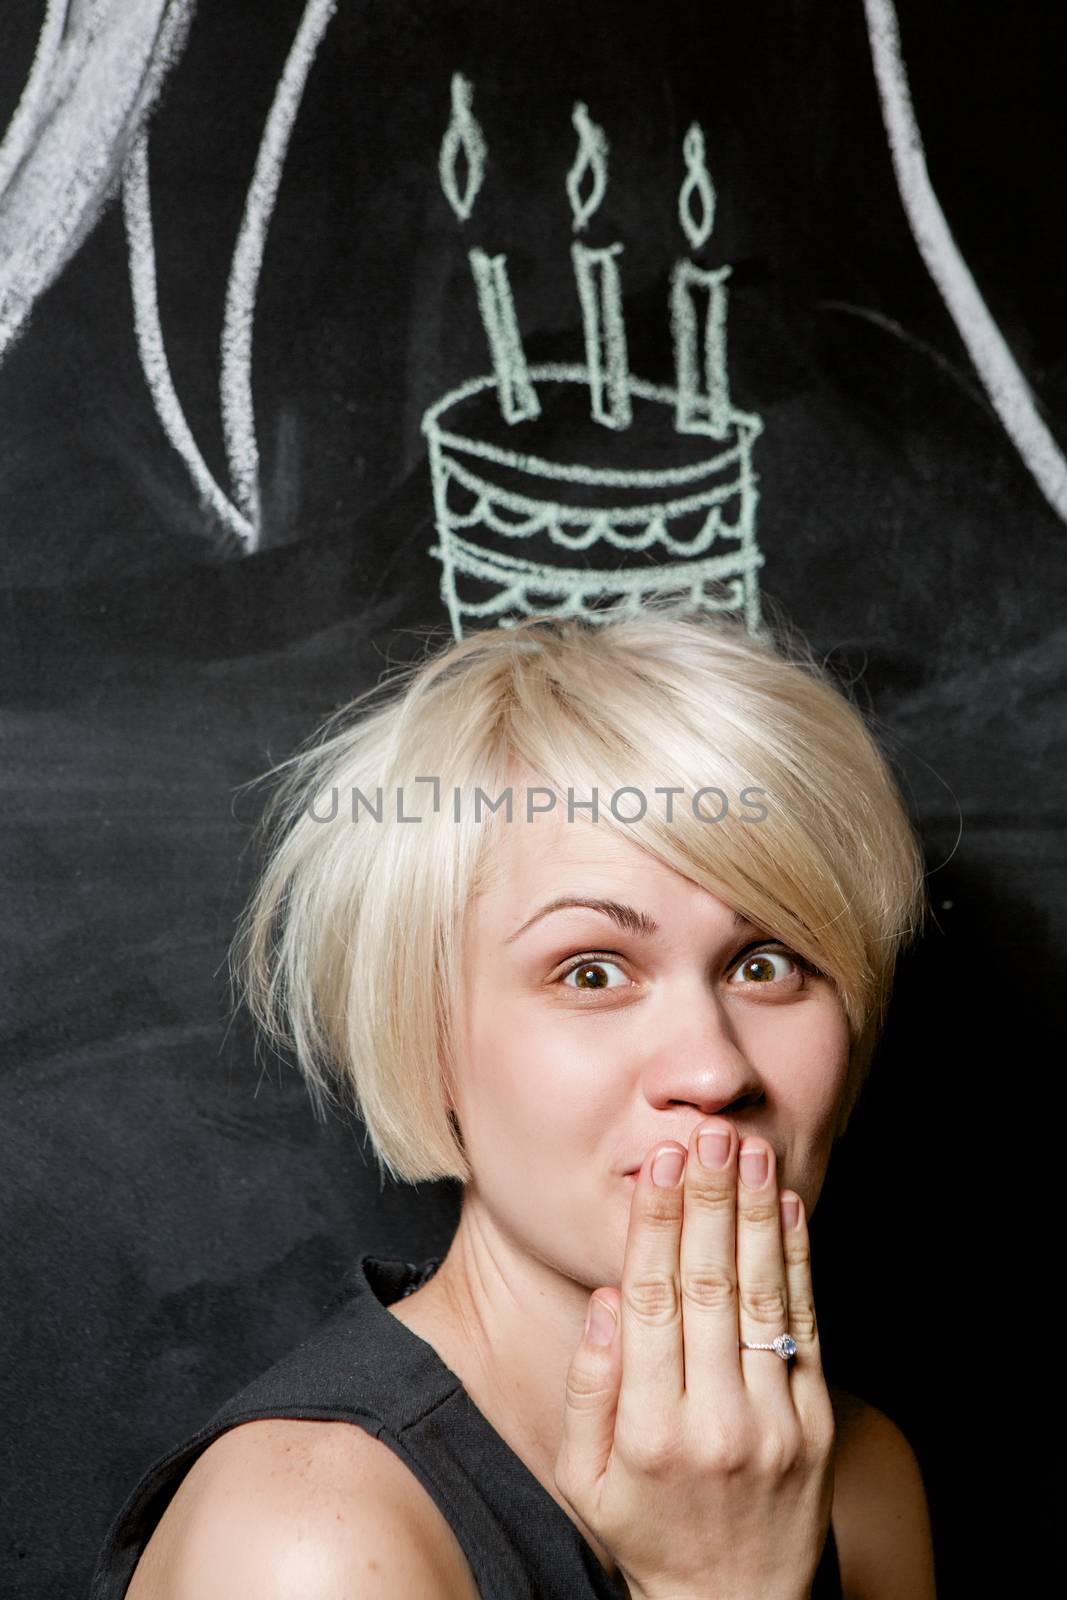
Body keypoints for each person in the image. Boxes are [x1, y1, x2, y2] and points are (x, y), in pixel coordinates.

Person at [90, 601, 937, 1599]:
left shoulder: (859, 1473)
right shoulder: (303, 1539)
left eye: (767, 962)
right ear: (427, 1034)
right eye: (590, 972)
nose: (711, 1072)